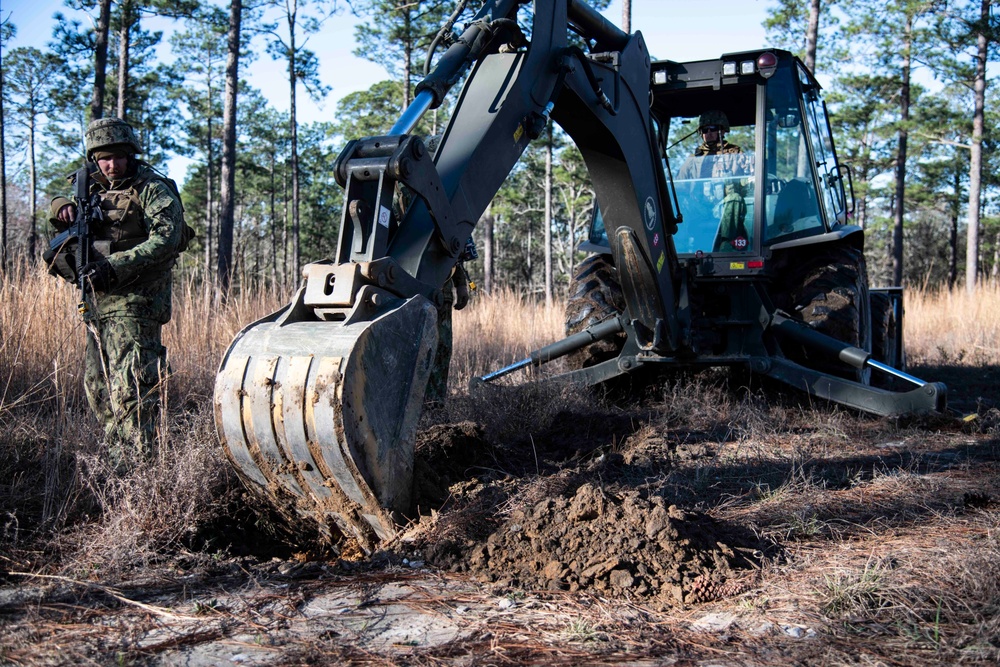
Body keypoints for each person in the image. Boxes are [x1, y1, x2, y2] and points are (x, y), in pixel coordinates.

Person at [48, 117, 186, 468]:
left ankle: (142, 472)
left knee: (133, 390)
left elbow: (167, 238)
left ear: (130, 154)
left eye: (118, 157)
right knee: (97, 388)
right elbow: (61, 206)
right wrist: (58, 204)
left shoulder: (152, 188)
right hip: (99, 303)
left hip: (137, 301)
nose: (112, 165)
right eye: (104, 158)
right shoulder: (91, 187)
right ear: (94, 158)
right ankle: (119, 463)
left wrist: (115, 266)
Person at [676, 110, 753, 251]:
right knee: (680, 205)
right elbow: (679, 187)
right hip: (701, 208)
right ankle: (677, 248)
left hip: (723, 207)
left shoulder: (735, 154)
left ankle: (726, 246)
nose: (708, 133)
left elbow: (752, 178)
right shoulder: (693, 159)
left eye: (713, 129)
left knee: (734, 198)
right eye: (705, 130)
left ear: (723, 131)